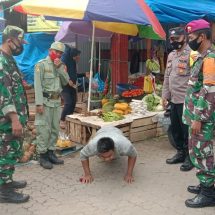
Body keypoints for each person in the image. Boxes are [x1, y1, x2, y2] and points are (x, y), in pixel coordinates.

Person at [182, 19, 215, 208]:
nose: (189, 41)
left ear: (202, 37)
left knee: (202, 152)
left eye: (192, 37)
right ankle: (207, 184)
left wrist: (198, 118)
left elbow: (209, 90)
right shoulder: (203, 56)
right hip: (197, 114)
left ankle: (208, 193)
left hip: (201, 117)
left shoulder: (210, 58)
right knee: (199, 151)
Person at [0, 25, 30, 203]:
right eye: (20, 42)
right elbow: (3, 94)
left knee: (11, 151)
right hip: (7, 119)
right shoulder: (2, 62)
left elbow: (12, 85)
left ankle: (7, 181)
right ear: (9, 40)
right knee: (5, 153)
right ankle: (4, 192)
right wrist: (14, 119)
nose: (22, 46)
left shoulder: (9, 59)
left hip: (13, 117)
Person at [34, 41, 71, 169]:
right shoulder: (41, 65)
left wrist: (60, 67)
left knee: (55, 129)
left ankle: (51, 153)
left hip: (56, 102)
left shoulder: (61, 65)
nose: (58, 55)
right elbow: (37, 85)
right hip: (45, 102)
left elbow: (66, 81)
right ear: (50, 50)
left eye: (61, 53)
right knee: (44, 129)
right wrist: (38, 103)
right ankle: (42, 156)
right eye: (56, 52)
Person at [162, 27, 193, 171]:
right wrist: (165, 95)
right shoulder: (172, 55)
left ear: (184, 38)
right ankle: (180, 152)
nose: (173, 42)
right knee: (175, 129)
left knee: (186, 130)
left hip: (186, 100)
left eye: (177, 39)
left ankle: (189, 157)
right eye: (171, 39)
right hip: (173, 99)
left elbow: (196, 79)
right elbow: (167, 77)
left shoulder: (192, 54)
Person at [60, 46, 89, 129]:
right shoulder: (64, 60)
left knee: (73, 102)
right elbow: (62, 72)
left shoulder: (73, 61)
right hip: (64, 85)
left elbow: (74, 74)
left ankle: (69, 118)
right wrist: (68, 79)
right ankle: (62, 120)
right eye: (78, 55)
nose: (79, 57)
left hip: (72, 85)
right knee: (68, 102)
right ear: (74, 55)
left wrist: (84, 74)